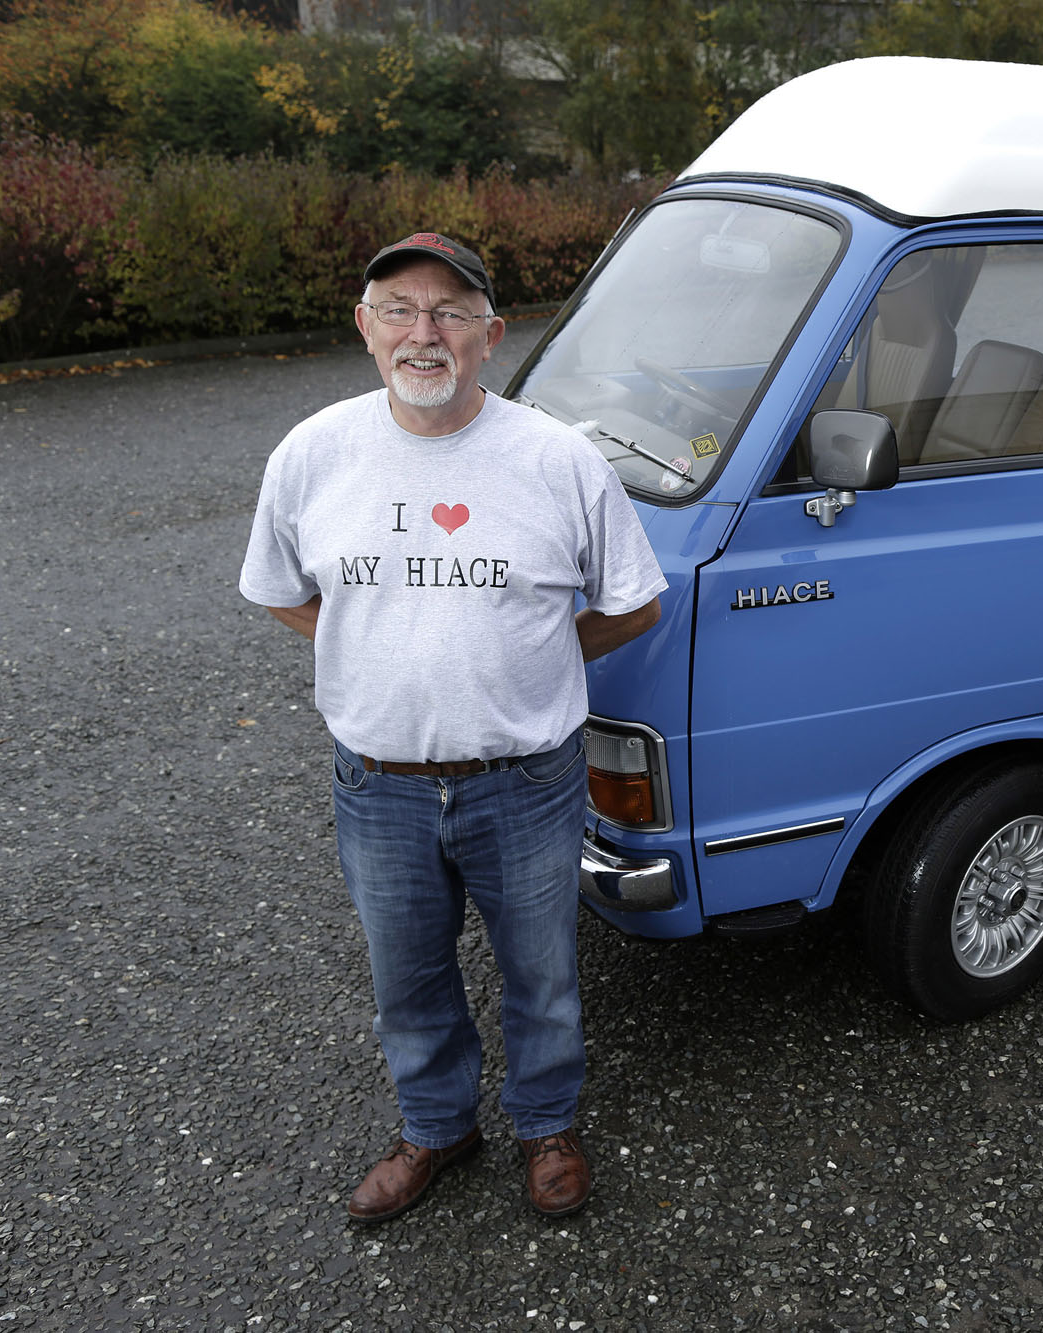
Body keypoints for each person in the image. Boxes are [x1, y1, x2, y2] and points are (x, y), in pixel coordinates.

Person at [238, 232, 666, 1223]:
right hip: (377, 782)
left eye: (450, 313)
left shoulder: (555, 459)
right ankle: (436, 1126)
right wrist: (366, 647)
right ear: (364, 326)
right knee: (407, 974)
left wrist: (533, 661)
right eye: (398, 308)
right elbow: (281, 591)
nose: (422, 333)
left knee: (542, 973)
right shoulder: (314, 453)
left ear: (490, 336)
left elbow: (634, 603)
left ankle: (546, 1123)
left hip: (523, 778)